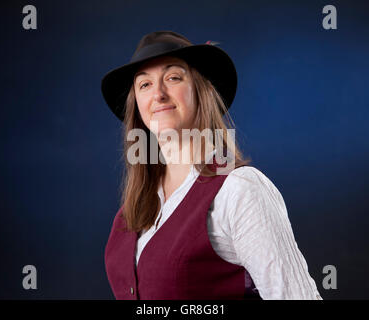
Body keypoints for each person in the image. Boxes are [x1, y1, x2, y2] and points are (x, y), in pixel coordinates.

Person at [101, 31, 322, 300]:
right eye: (144, 85)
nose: (158, 93)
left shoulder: (239, 190)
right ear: (137, 105)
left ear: (201, 91)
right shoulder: (130, 214)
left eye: (173, 78)